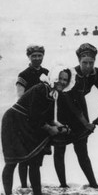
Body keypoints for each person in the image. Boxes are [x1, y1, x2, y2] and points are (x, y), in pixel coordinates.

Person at [2, 66, 73, 195]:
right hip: (13, 121)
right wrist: (51, 129)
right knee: (12, 161)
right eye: (60, 78)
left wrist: (62, 127)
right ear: (53, 77)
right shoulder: (42, 88)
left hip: (27, 123)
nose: (63, 82)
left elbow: (50, 118)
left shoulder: (53, 93)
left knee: (34, 162)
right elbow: (35, 116)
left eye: (65, 80)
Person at [53, 43, 98, 188]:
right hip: (63, 110)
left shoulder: (96, 74)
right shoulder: (71, 75)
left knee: (82, 151)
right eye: (84, 63)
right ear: (79, 61)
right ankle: (63, 185)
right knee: (60, 150)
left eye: (91, 63)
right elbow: (72, 105)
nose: (88, 66)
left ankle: (94, 185)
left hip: (80, 108)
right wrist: (86, 123)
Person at [15, 45, 49, 188]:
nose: (36, 58)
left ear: (43, 56)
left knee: (37, 155)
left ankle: (34, 187)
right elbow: (20, 97)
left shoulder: (47, 72)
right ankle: (24, 187)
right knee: (24, 156)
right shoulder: (23, 74)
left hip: (41, 117)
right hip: (25, 118)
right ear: (28, 57)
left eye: (39, 55)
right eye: (33, 56)